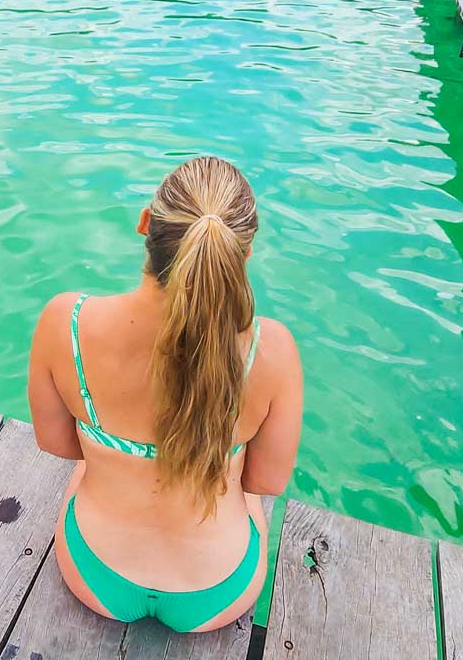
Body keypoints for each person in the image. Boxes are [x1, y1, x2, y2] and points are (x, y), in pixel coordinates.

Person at [29, 156, 302, 633]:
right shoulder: (272, 349)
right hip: (220, 587)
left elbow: (56, 443)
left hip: (95, 571)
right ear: (245, 253)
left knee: (91, 463)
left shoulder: (66, 322)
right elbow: (266, 482)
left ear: (145, 224)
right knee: (239, 490)